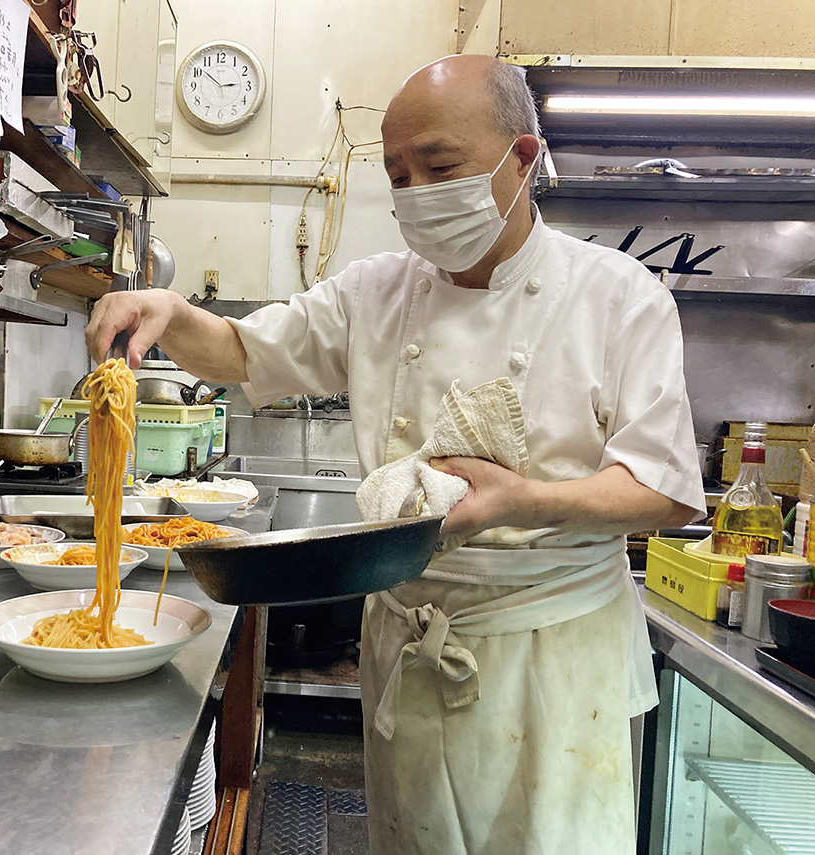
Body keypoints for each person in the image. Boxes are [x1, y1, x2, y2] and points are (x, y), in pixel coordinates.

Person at [87, 54, 704, 855]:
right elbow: (242, 350)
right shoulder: (376, 292)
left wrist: (522, 501)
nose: (415, 194)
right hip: (410, 644)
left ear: (523, 157)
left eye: (439, 166)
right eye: (397, 174)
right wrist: (168, 310)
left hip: (552, 666)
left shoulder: (622, 298)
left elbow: (663, 490)